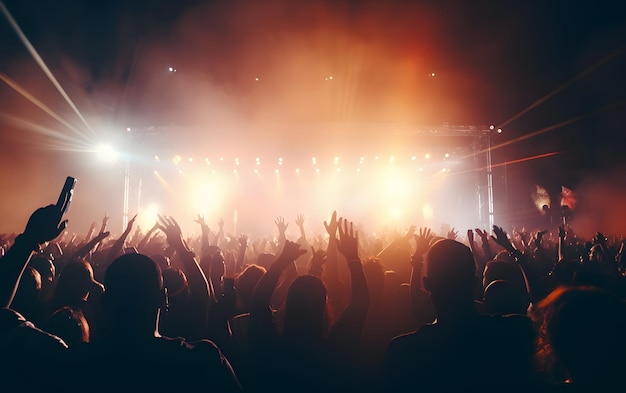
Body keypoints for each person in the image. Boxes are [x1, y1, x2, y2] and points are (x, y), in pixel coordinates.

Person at [65, 248, 242, 391]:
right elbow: (202, 296)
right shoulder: (203, 360)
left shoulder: (79, 362)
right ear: (163, 299)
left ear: (105, 303)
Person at [384, 237, 537, 392]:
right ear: (474, 283)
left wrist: (416, 262)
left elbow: (416, 303)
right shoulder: (515, 331)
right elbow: (537, 296)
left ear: (427, 284)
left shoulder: (403, 353)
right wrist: (516, 253)